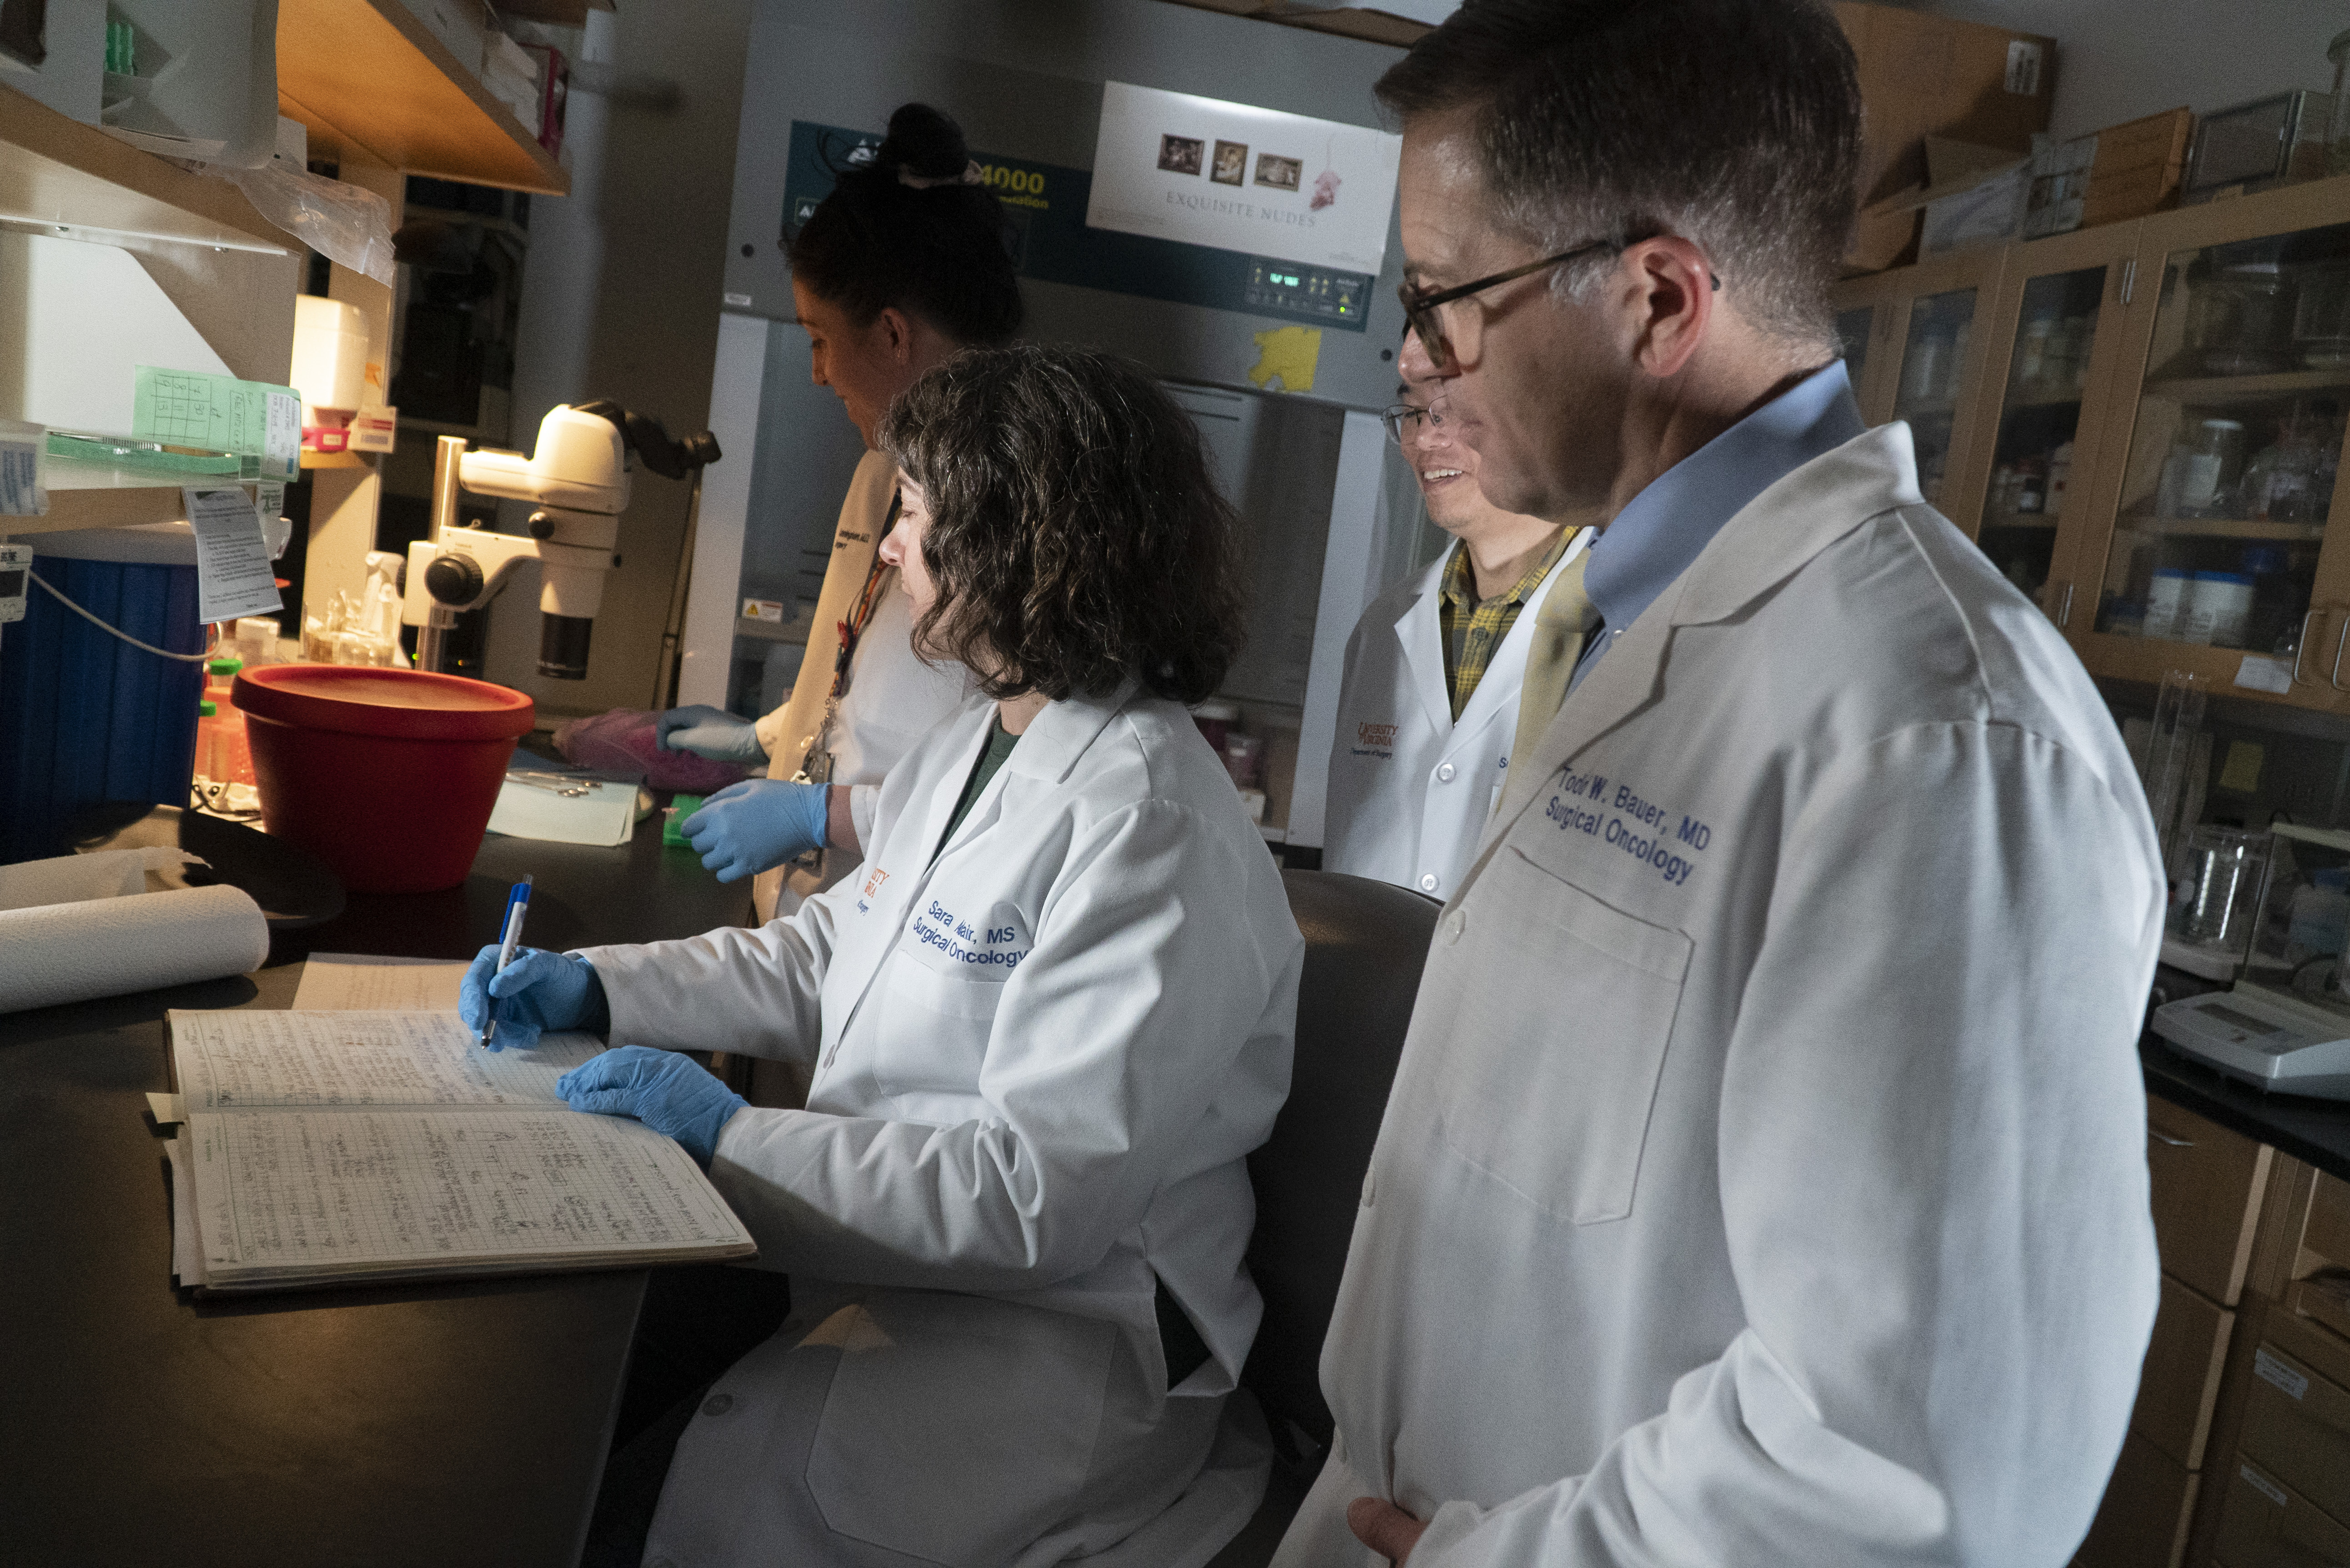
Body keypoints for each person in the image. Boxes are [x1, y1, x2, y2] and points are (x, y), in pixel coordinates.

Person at [1277, 3, 2166, 1564]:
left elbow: (1917, 1470)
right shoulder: (1626, 626)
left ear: (1656, 297)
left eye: (1440, 301)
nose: (1415, 362)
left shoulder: (1938, 737)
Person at [463, 344, 1302, 1568]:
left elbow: (1034, 1202)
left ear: (1022, 542)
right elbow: (821, 956)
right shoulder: (989, 740)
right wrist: (605, 987)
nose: (894, 547)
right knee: (579, 1423)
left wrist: (730, 1139)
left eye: (914, 513)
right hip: (899, 1267)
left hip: (1055, 1334)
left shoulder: (1149, 829)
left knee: (692, 1514)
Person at [656, 102, 1018, 925]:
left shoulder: (1019, 515)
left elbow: (1017, 792)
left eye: (820, 337)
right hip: (805, 924)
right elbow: (871, 693)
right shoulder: (879, 475)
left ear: (892, 335)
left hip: (910, 926)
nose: (817, 372)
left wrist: (822, 815)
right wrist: (767, 736)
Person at [1322, 358, 1589, 899]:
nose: (1422, 442)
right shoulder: (1383, 626)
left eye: (1450, 412)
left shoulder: (1615, 623)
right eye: (1413, 413)